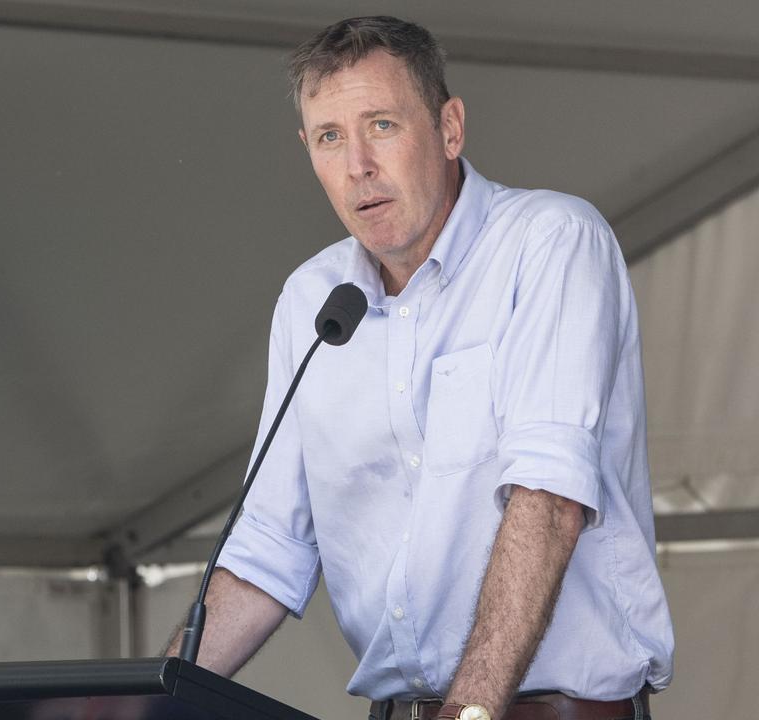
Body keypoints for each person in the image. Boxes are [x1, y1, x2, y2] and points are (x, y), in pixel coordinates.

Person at [166, 16, 674, 720]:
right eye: (329, 137)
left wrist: (469, 713)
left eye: (380, 125)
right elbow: (266, 550)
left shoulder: (550, 243)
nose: (357, 167)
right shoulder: (313, 302)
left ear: (450, 129)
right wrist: (142, 703)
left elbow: (548, 501)